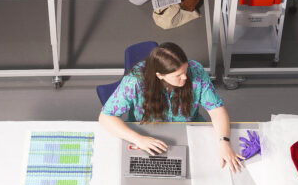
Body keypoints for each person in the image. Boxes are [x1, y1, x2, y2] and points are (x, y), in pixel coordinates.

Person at [98, 42, 243, 172]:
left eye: (185, 71)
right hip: (146, 133)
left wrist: (224, 142)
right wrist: (138, 139)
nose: (185, 77)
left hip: (188, 129)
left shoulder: (196, 71)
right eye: (178, 75)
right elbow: (106, 117)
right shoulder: (134, 81)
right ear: (160, 75)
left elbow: (216, 111)